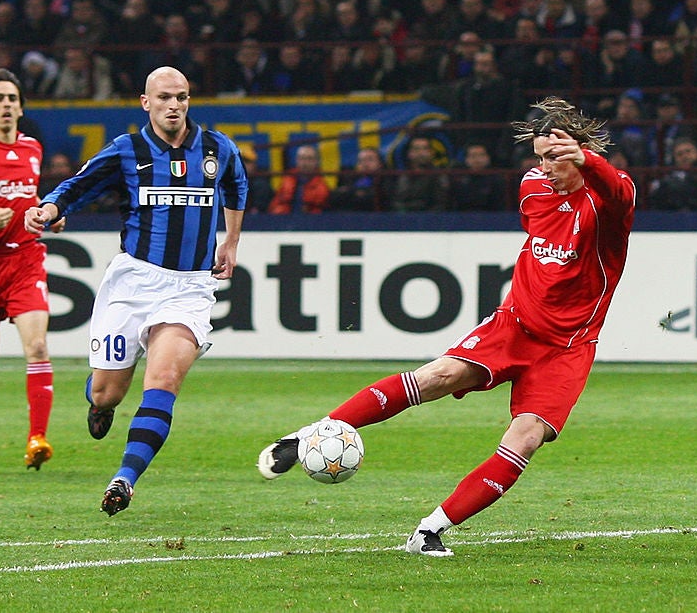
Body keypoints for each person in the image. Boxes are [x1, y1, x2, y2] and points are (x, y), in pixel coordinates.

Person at [257, 97, 636, 557]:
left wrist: (587, 161)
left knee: (526, 437)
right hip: (513, 325)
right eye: (539, 157)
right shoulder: (534, 188)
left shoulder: (607, 204)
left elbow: (619, 192)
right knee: (436, 376)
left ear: (578, 152)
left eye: (554, 157)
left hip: (567, 348)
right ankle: (305, 436)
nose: (544, 167)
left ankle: (429, 531)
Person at [24, 66, 248, 516]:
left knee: (163, 380)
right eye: (164, 97)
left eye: (182, 97)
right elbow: (79, 185)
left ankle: (124, 479)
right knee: (108, 392)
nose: (174, 106)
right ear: (145, 102)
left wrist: (231, 240)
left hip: (189, 288)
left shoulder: (217, 147)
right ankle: (100, 402)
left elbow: (236, 185)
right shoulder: (128, 150)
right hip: (133, 282)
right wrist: (49, 207)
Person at [0, 68, 63, 470]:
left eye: (13, 98)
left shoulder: (32, 148)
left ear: (21, 106)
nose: (7, 105)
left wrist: (48, 214)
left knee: (38, 347)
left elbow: (31, 196)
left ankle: (37, 438)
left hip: (25, 258)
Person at [268, 144, 331, 215]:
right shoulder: (288, 178)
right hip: (284, 220)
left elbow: (317, 212)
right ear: (297, 160)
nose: (305, 163)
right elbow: (276, 203)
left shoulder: (321, 186)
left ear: (316, 162)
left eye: (309, 159)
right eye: (302, 158)